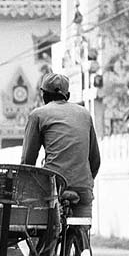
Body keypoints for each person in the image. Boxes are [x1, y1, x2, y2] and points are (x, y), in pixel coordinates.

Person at [21, 72, 101, 217]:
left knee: (44, 229)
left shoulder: (38, 115)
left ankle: (49, 239)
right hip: (82, 188)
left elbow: (27, 161)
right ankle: (81, 238)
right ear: (68, 95)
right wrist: (83, 180)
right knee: (83, 225)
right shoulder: (84, 114)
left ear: (44, 95)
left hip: (53, 185)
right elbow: (95, 160)